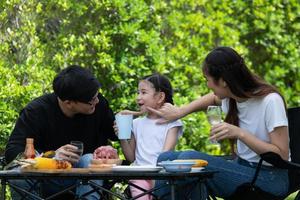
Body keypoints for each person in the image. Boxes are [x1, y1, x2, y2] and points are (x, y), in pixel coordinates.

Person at [147, 47, 289, 199]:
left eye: (207, 80)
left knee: (189, 158)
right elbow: (211, 98)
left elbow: (282, 155)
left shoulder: (270, 101)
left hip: (270, 179)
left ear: (223, 81)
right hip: (241, 167)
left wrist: (240, 133)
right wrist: (181, 111)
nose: (207, 85)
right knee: (165, 158)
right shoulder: (232, 98)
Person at [5, 65, 118, 200]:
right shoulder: (37, 111)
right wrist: (52, 156)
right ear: (68, 103)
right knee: (18, 172)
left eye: (97, 96)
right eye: (91, 100)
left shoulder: (99, 105)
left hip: (86, 177)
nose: (97, 101)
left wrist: (123, 128)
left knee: (89, 159)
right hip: (45, 179)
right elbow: (12, 152)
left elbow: (115, 134)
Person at [116, 73, 183, 200]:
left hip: (162, 175)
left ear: (160, 97)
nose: (138, 97)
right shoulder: (136, 123)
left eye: (143, 92)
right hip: (138, 175)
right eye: (138, 92)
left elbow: (165, 155)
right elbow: (131, 157)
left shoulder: (173, 123)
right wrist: (121, 135)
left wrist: (156, 179)